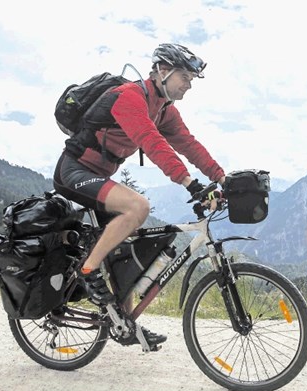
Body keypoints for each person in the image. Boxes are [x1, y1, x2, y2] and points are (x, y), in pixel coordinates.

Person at [53, 43, 226, 346]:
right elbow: (152, 143)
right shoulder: (128, 98)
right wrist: (190, 184)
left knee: (124, 253)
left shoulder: (164, 110)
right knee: (138, 207)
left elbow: (189, 145)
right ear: (162, 71)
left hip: (98, 177)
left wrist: (223, 178)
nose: (188, 85)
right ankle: (87, 271)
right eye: (184, 77)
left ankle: (125, 324)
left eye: (191, 79)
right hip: (74, 173)